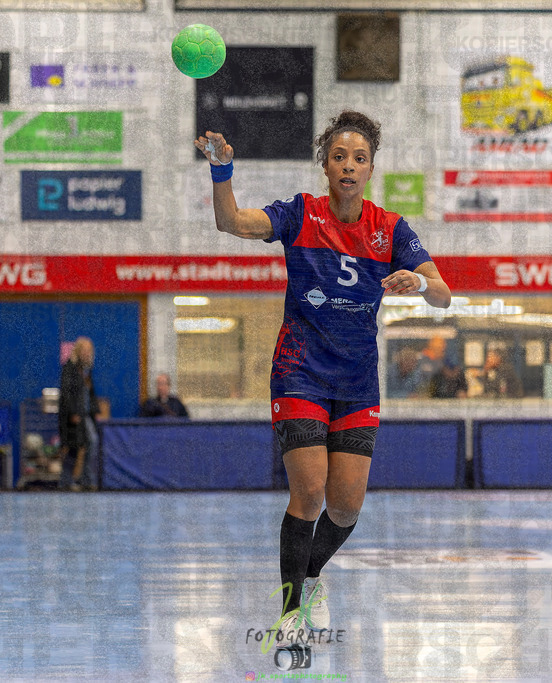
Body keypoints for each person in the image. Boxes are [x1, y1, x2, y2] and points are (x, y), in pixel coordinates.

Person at [196, 110, 451, 648]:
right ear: (325, 165)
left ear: (371, 168)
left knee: (346, 505)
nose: (349, 166)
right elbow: (232, 223)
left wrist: (418, 283)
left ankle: (308, 579)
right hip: (300, 373)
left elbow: (444, 292)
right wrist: (222, 173)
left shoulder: (391, 229)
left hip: (357, 382)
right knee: (309, 493)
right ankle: (290, 612)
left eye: (360, 158)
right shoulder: (300, 214)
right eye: (339, 157)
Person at [58, 337, 99, 491]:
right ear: (78, 351)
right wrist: (72, 413)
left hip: (86, 415)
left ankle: (84, 478)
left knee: (89, 443)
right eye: (85, 350)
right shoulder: (70, 368)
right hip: (74, 417)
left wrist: (95, 412)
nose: (87, 353)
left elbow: (90, 394)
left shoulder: (86, 371)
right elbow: (66, 393)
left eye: (90, 351)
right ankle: (67, 481)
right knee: (73, 447)